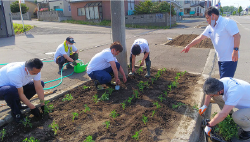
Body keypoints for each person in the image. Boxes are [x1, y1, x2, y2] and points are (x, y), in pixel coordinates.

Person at [181, 6, 241, 79]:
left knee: (225, 82)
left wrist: (235, 50)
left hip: (229, 59)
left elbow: (237, 36)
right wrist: (189, 45)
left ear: (213, 16)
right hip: (221, 59)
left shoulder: (227, 22)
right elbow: (200, 37)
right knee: (224, 81)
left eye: (207, 18)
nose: (207, 20)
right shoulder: (210, 27)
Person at [0, 58, 45, 123]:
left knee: (41, 83)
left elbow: (38, 87)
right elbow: (20, 93)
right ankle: (16, 113)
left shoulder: (35, 70)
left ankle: (18, 104)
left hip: (16, 86)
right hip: (3, 89)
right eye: (34, 73)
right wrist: (32, 107)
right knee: (11, 91)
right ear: (26, 69)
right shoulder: (15, 72)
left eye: (38, 72)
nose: (36, 74)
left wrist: (42, 104)